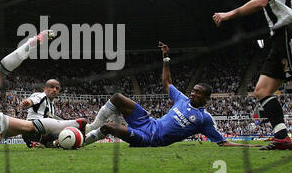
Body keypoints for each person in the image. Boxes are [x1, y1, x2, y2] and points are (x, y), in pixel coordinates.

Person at [83, 42, 261, 148]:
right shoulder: (182, 99)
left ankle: (80, 142)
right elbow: (166, 83)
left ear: (206, 99)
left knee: (109, 127)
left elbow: (223, 143)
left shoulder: (203, 119)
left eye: (198, 93)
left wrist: (250, 146)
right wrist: (166, 58)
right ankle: (91, 128)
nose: (193, 93)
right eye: (193, 90)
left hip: (150, 139)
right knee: (117, 97)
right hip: (148, 122)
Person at [212, 0, 292, 150]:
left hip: (287, 33)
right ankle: (282, 137)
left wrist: (228, 14)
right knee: (262, 90)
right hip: (279, 36)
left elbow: (260, 2)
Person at [19, 79, 62, 148]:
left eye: (57, 88)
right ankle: (52, 142)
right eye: (52, 87)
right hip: (34, 129)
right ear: (45, 88)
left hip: (37, 133)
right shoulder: (42, 96)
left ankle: (43, 144)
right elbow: (33, 100)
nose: (54, 90)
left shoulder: (52, 105)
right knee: (63, 135)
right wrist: (28, 102)